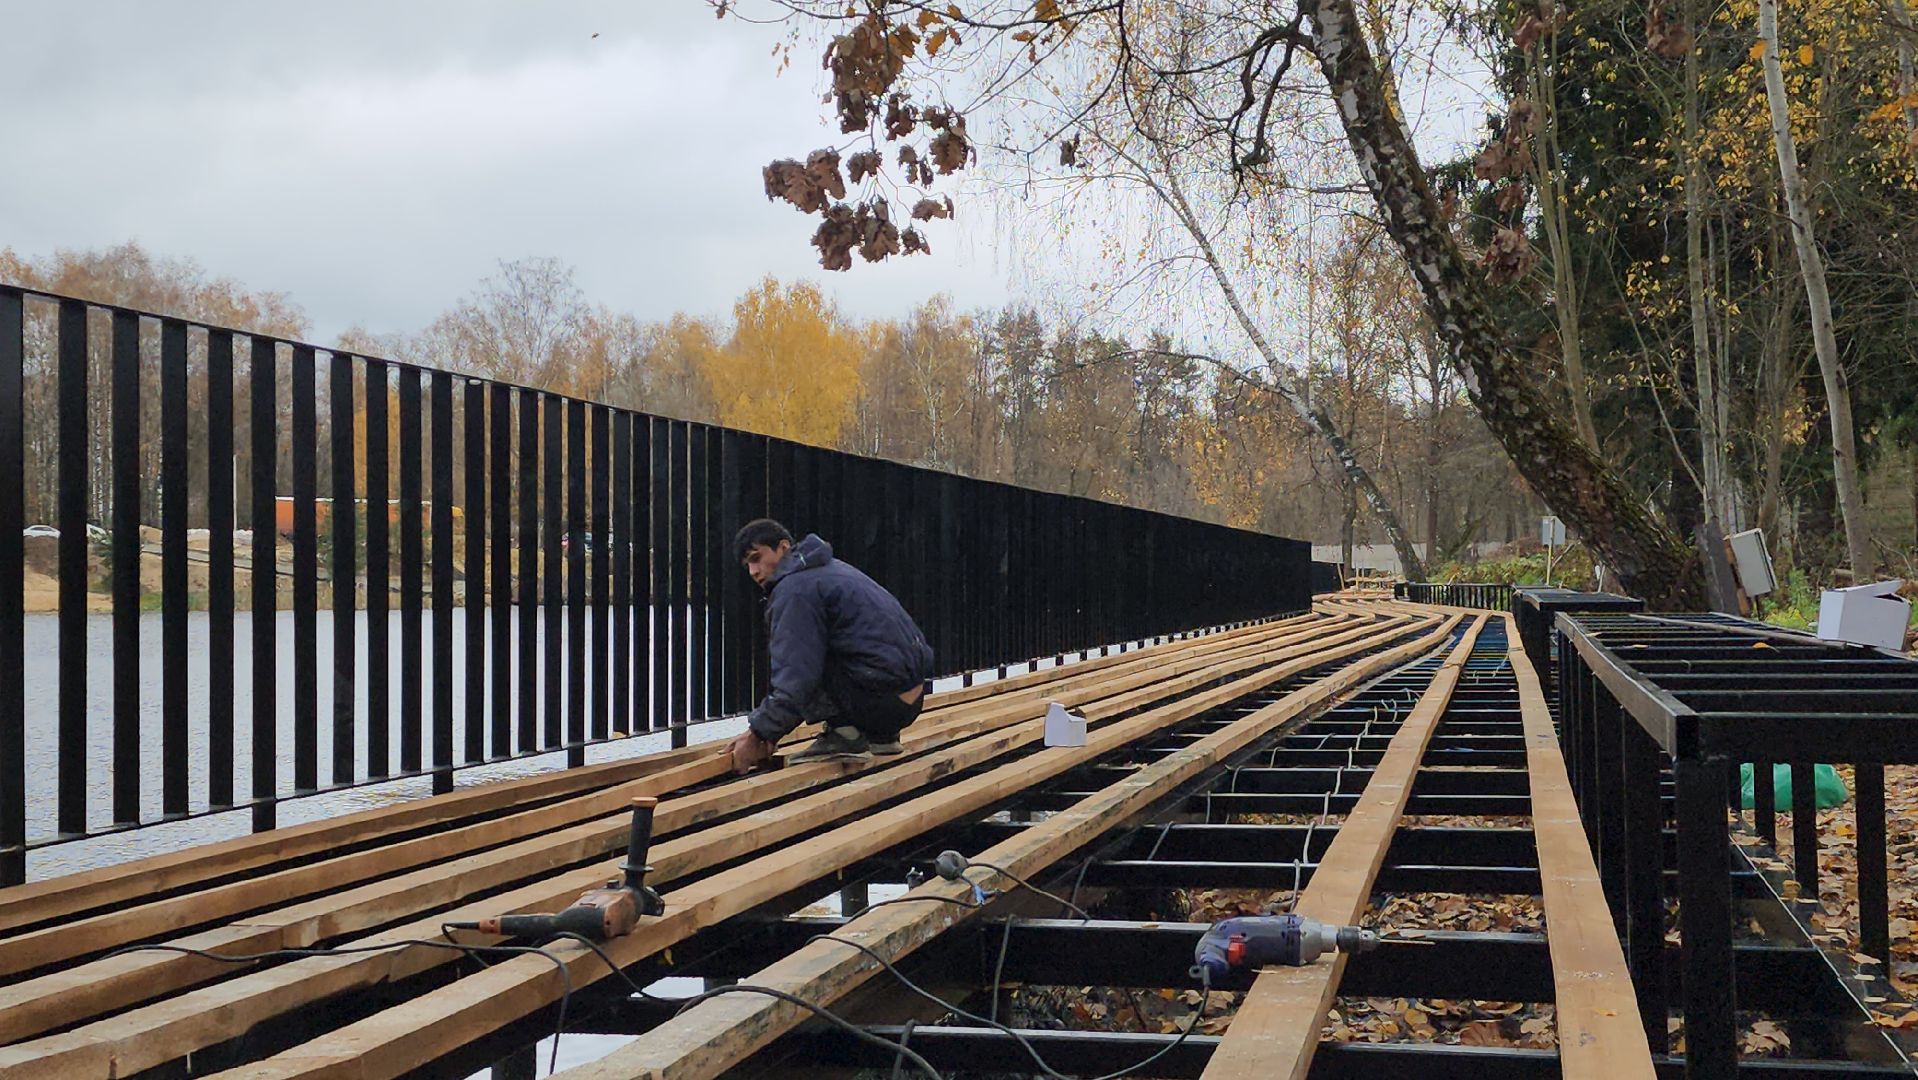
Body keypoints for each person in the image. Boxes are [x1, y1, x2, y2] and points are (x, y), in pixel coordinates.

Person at [723, 519, 934, 773]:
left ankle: (846, 735)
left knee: (805, 655)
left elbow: (796, 676)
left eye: (757, 558)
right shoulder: (830, 569)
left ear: (783, 547)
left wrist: (759, 733)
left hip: (879, 703)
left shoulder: (795, 590)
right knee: (828, 644)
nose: (753, 571)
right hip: (908, 701)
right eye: (748, 565)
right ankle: (880, 739)